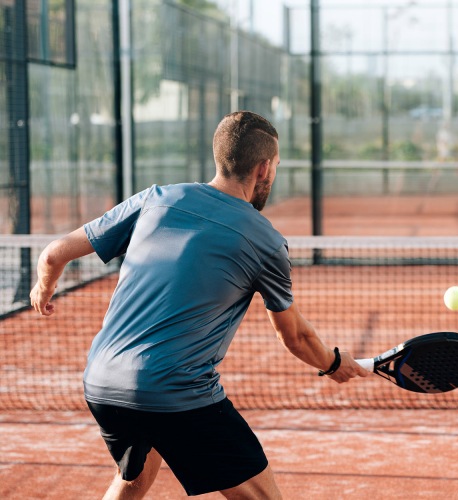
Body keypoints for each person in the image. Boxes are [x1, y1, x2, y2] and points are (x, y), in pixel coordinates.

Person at [29, 111, 369, 499]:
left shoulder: (155, 199)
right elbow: (295, 336)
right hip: (175, 389)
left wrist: (43, 289)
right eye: (275, 166)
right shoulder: (266, 240)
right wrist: (333, 363)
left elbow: (54, 254)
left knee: (134, 477)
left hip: (103, 383)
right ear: (263, 168)